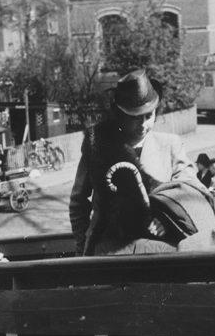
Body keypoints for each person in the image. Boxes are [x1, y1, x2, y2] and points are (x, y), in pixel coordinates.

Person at [69, 69, 198, 256]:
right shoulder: (101, 145)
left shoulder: (170, 145)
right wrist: (83, 249)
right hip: (110, 250)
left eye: (148, 116)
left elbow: (188, 192)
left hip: (158, 251)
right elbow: (78, 203)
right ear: (120, 115)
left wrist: (168, 220)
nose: (143, 124)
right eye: (135, 117)